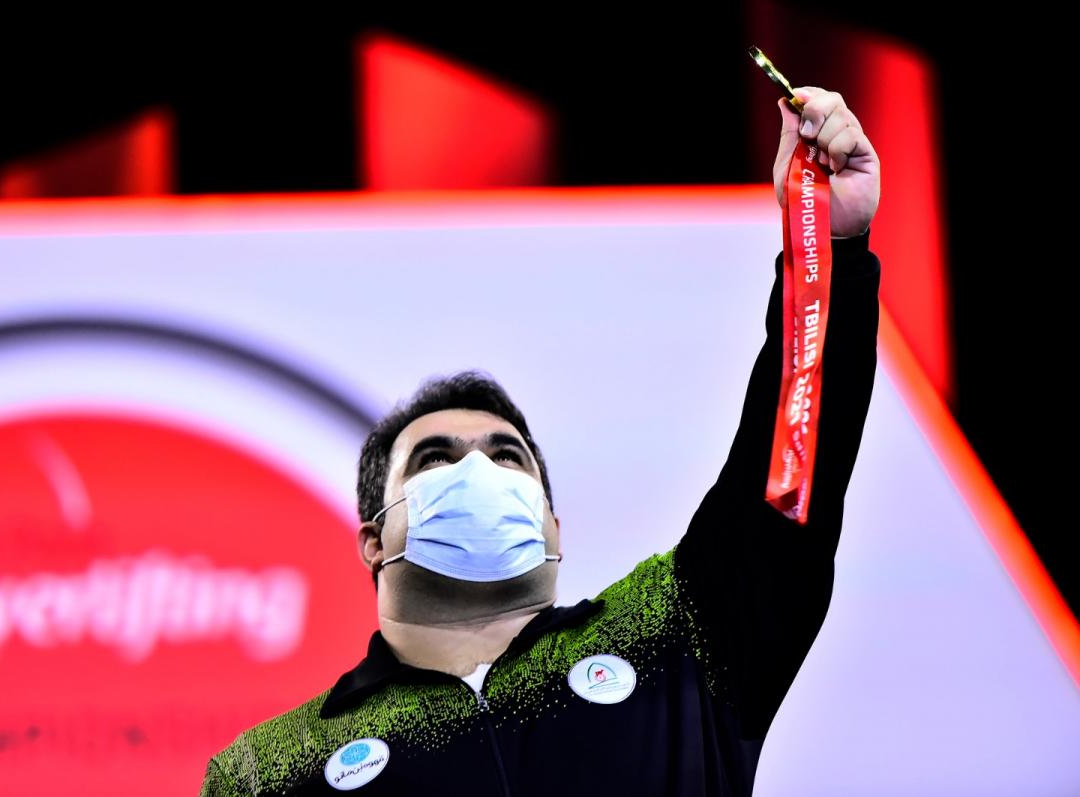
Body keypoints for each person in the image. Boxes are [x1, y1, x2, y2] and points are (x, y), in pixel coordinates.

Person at [199, 85, 881, 796]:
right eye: (435, 458)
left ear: (552, 526)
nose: (478, 470)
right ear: (375, 538)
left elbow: (790, 469)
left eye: (506, 455)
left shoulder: (676, 636)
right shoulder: (268, 770)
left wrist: (827, 243)